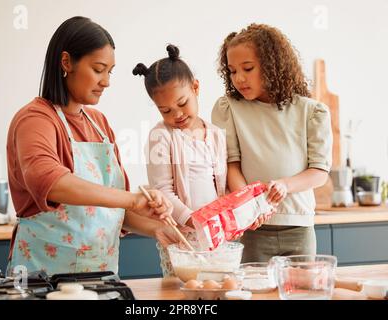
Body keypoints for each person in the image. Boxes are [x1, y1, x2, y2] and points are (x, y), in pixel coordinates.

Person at [6, 16, 178, 276]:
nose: (106, 81)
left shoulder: (99, 123)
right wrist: (133, 200)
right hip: (44, 280)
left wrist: (156, 228)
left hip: (101, 280)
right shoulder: (35, 119)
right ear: (66, 62)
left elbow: (108, 211)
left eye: (110, 72)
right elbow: (50, 181)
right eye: (98, 69)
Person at [132, 45, 270, 276]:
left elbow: (223, 187)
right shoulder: (161, 136)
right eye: (165, 110)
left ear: (196, 88)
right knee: (186, 290)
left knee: (217, 286)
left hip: (217, 236)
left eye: (182, 103)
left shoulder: (216, 134)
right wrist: (195, 221)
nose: (176, 115)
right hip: (183, 239)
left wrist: (241, 214)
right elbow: (162, 191)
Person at [212, 23, 333, 262]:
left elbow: (319, 172)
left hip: (299, 228)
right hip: (254, 228)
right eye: (233, 71)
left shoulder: (311, 111)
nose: (239, 78)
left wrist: (286, 185)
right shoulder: (230, 109)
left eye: (247, 68)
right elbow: (231, 166)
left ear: (272, 65)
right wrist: (250, 206)